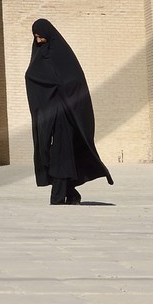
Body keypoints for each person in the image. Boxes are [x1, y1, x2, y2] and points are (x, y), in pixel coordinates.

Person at [24, 18, 112, 205]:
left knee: (61, 153)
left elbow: (74, 81)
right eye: (36, 37)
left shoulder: (63, 56)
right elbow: (34, 77)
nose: (38, 41)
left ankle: (58, 197)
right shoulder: (39, 55)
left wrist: (59, 86)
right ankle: (71, 193)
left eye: (40, 37)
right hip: (49, 114)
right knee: (51, 153)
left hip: (67, 115)